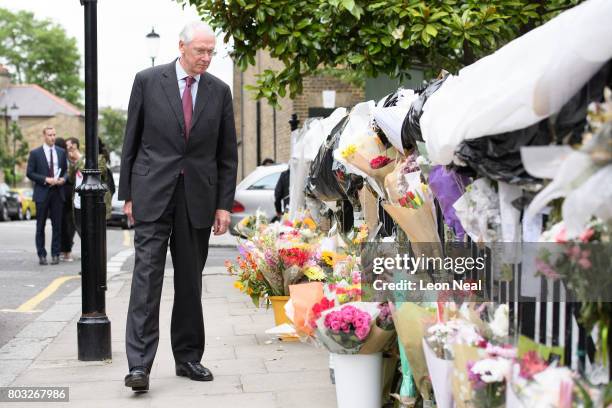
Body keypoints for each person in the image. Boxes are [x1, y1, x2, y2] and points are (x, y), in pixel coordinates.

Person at [119, 21, 238, 392]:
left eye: (210, 52)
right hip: (152, 194)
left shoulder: (220, 92)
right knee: (146, 279)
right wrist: (128, 195)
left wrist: (223, 205)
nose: (206, 58)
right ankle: (139, 365)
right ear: (181, 47)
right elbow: (131, 141)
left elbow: (226, 154)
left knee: (190, 282)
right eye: (200, 51)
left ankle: (188, 357)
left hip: (198, 199)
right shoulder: (147, 80)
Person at [26, 126, 68, 265]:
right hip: (42, 192)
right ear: (44, 136)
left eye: (54, 135)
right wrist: (45, 179)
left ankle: (56, 254)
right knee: (40, 226)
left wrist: (63, 179)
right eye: (50, 135)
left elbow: (66, 171)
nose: (52, 137)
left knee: (57, 226)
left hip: (58, 192)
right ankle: (41, 255)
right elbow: (30, 173)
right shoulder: (35, 153)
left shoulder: (61, 152)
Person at [56, 137, 76, 262]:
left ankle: (62, 250)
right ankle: (66, 251)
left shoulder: (64, 157)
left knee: (63, 224)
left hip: (62, 193)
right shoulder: (66, 158)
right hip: (68, 194)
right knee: (68, 225)